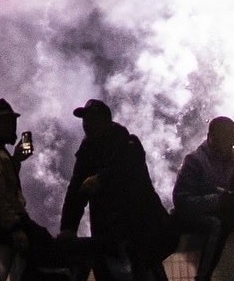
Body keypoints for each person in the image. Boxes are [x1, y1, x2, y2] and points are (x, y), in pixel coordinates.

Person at [0, 98, 97, 281]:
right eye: (6, 122)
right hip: (0, 224)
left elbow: (2, 188)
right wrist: (14, 228)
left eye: (12, 121)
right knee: (50, 257)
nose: (12, 126)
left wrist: (15, 161)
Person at [59, 99, 175, 281]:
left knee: (143, 270)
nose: (87, 125)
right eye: (85, 120)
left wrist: (102, 179)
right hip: (110, 234)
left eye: (92, 119)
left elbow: (128, 171)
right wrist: (68, 228)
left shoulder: (128, 144)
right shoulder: (87, 152)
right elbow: (76, 192)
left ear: (106, 121)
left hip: (137, 231)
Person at [174, 116, 234, 281]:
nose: (228, 145)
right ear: (211, 137)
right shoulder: (195, 161)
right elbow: (181, 201)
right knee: (216, 225)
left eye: (231, 140)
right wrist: (218, 200)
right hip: (197, 215)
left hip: (225, 212)